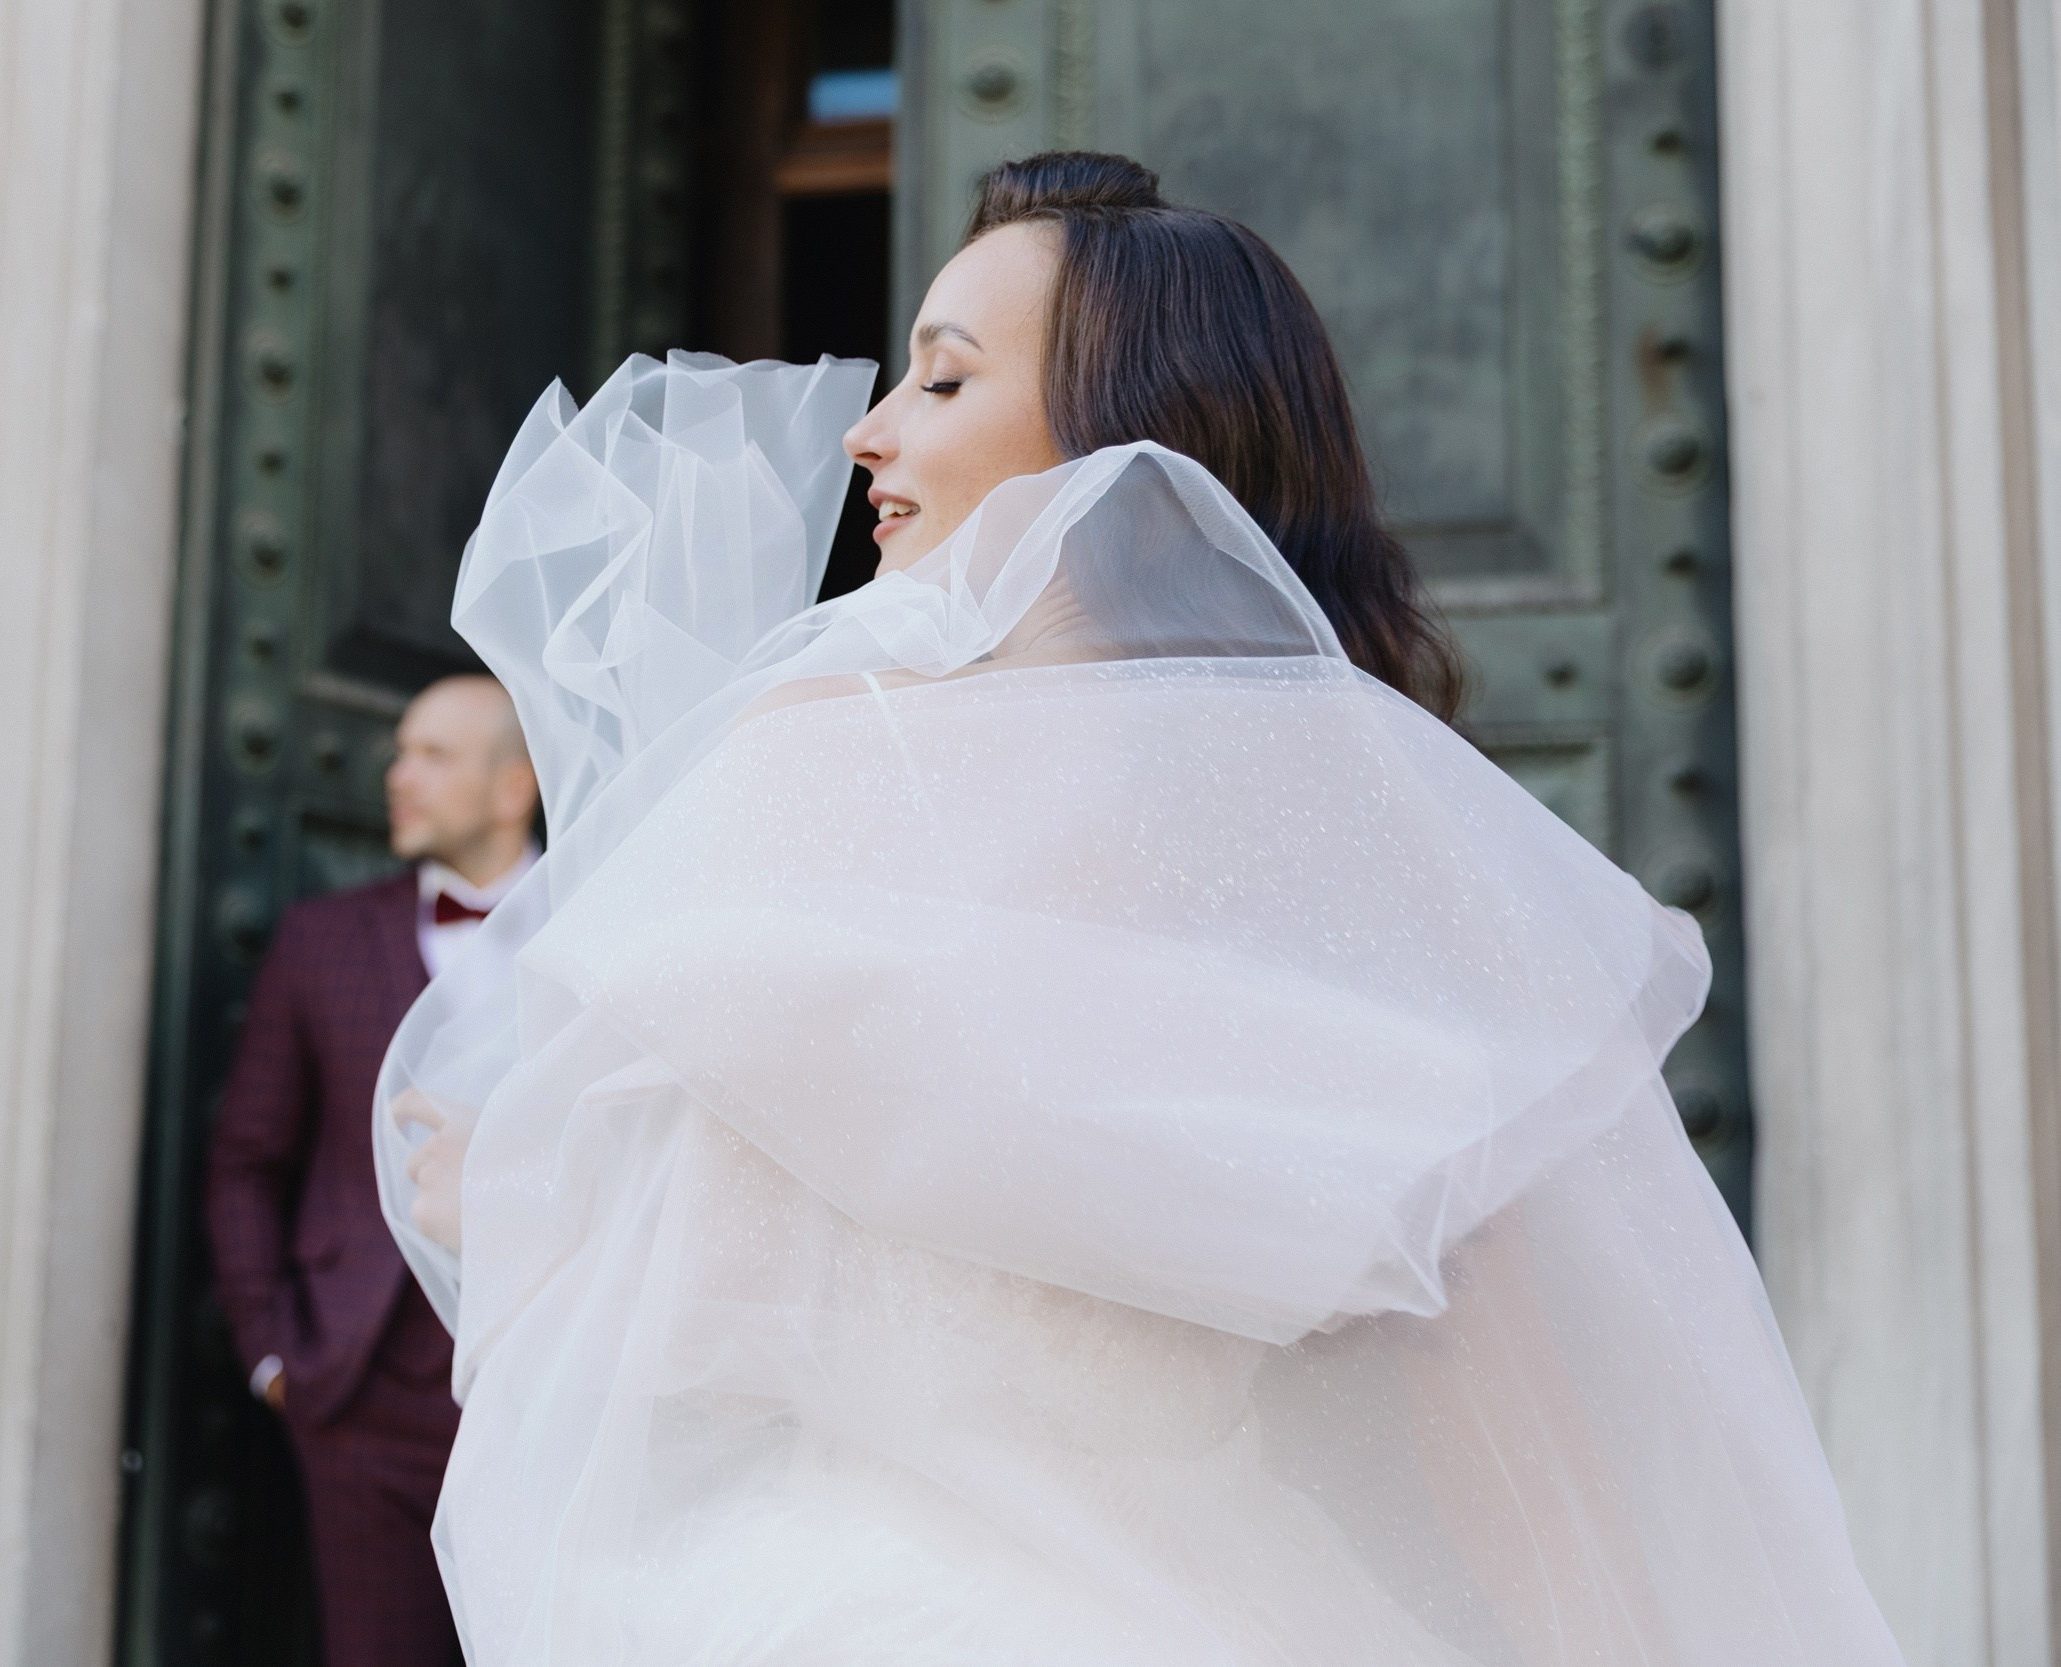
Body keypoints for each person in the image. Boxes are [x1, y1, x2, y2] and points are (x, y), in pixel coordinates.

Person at [378, 156, 1907, 1665]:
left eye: (944, 381)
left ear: (1122, 441)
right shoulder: (1349, 858)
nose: (868, 430)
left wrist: (518, 1203)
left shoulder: (830, 770)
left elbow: (711, 1315)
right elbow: (1513, 1435)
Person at [206, 674, 536, 1667]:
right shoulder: (320, 941)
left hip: (538, 1390)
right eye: (399, 749)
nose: (396, 775)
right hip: (359, 1404)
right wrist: (272, 1352)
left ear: (512, 786)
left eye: (432, 754)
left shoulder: (603, 926)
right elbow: (245, 1160)